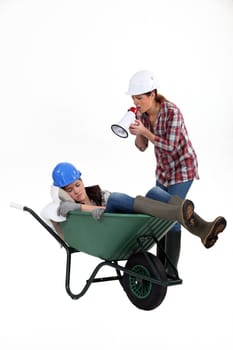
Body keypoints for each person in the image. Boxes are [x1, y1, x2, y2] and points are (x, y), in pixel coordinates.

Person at [45, 162, 226, 253]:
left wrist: (101, 205)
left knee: (155, 192)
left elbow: (111, 201)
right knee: (115, 197)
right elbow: (69, 208)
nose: (76, 191)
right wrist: (94, 210)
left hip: (121, 224)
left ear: (82, 181)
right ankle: (177, 213)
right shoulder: (64, 205)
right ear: (64, 192)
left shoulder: (97, 194)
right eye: (70, 190)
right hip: (108, 231)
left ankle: (203, 228)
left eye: (77, 185)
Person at [126, 70, 199, 277]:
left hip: (183, 168)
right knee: (159, 215)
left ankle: (171, 271)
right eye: (133, 98)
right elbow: (142, 147)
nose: (136, 102)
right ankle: (159, 267)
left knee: (173, 215)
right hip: (164, 171)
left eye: (139, 98)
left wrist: (146, 132)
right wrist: (136, 131)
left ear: (152, 94)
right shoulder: (142, 113)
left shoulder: (172, 112)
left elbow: (170, 147)